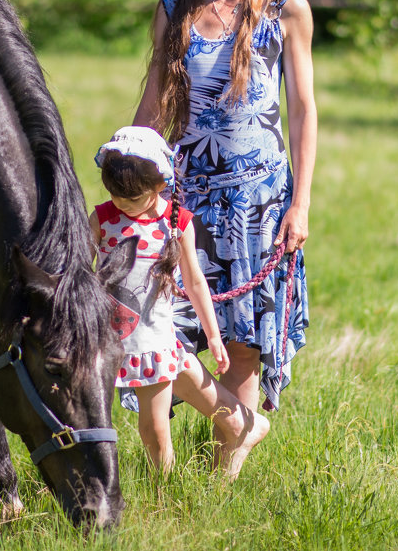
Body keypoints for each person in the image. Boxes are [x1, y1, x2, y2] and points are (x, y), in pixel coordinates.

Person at [133, 0, 316, 428]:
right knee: (157, 328)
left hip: (259, 203)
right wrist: (131, 174)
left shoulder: (286, 8)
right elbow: (154, 106)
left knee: (242, 342)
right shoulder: (174, 8)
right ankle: (240, 422)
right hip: (185, 201)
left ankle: (223, 479)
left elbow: (304, 109)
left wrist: (300, 203)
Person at [92, 126, 268, 477]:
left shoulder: (176, 223)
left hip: (151, 338)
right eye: (118, 198)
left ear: (160, 184)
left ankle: (166, 493)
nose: (123, 205)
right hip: (112, 334)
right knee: (184, 371)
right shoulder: (103, 217)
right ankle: (241, 423)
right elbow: (81, 269)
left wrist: (214, 336)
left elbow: (195, 281)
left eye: (133, 200)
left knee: (153, 427)